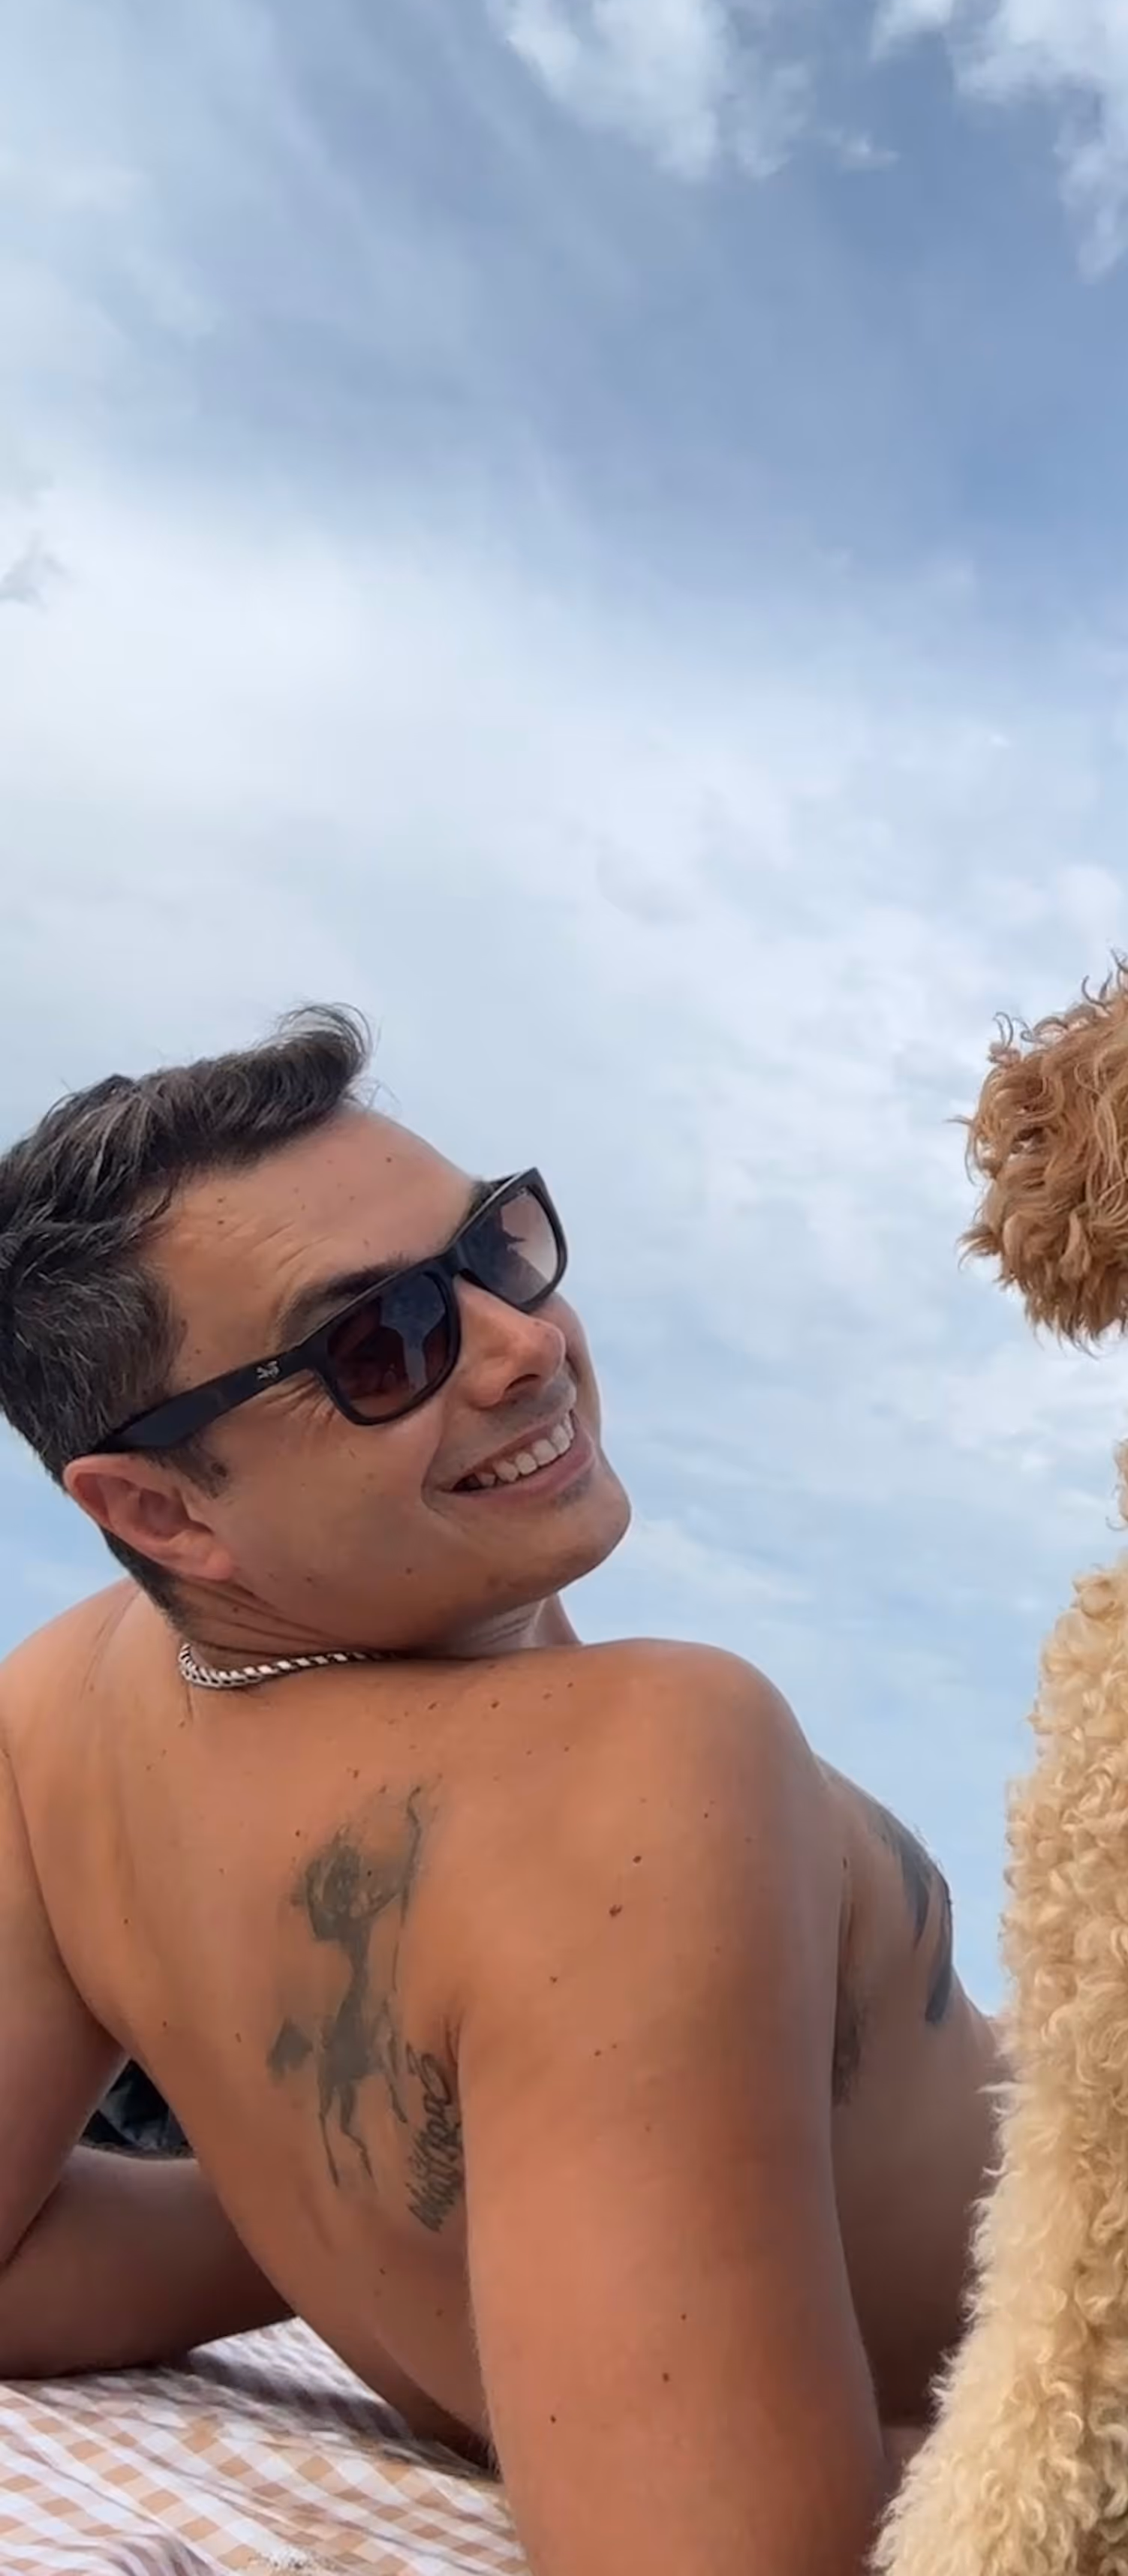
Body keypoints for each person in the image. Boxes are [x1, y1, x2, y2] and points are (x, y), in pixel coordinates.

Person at [0, 1011, 1000, 2576]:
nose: (524, 1343)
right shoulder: (637, 1763)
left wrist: (383, 2224)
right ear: (160, 1508)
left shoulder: (55, 1719)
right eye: (379, 1346)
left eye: (499, 1246)